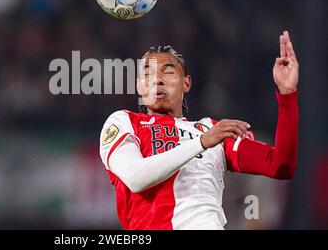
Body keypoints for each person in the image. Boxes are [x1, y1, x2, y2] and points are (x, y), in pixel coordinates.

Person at [99, 31, 299, 229]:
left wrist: (287, 95)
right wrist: (201, 142)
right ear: (139, 87)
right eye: (148, 74)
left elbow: (280, 165)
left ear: (186, 83)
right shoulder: (123, 122)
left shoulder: (213, 130)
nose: (158, 80)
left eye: (168, 72)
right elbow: (136, 178)